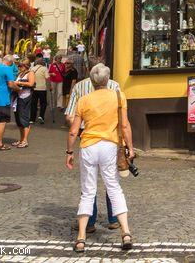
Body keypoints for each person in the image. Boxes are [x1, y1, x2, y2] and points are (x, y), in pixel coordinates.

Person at [66, 64, 134, 252]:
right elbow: (125, 125)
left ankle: (81, 237)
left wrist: (69, 152)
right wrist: (130, 147)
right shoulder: (119, 96)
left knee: (88, 190)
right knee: (113, 187)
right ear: (107, 79)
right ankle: (126, 232)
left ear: (92, 80)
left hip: (88, 145)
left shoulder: (83, 100)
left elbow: (73, 131)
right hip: (110, 146)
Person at [12, 58, 36, 148]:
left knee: (24, 119)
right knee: (18, 119)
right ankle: (21, 139)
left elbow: (31, 83)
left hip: (25, 97)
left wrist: (18, 82)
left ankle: (25, 140)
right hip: (18, 97)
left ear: (26, 66)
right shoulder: (20, 73)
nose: (19, 67)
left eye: (20, 66)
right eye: (18, 65)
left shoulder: (30, 73)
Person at [31, 57, 49, 125]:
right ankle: (41, 116)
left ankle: (32, 119)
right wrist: (50, 87)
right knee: (43, 103)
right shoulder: (44, 69)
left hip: (34, 88)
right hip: (42, 88)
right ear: (42, 62)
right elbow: (47, 78)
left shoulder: (32, 69)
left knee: (33, 104)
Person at [48, 54, 65, 121]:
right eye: (58, 58)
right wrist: (52, 74)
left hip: (60, 80)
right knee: (53, 93)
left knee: (60, 93)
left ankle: (59, 105)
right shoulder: (52, 65)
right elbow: (49, 73)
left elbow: (64, 72)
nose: (59, 59)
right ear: (56, 59)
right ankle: (52, 105)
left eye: (60, 58)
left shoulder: (63, 65)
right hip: (53, 80)